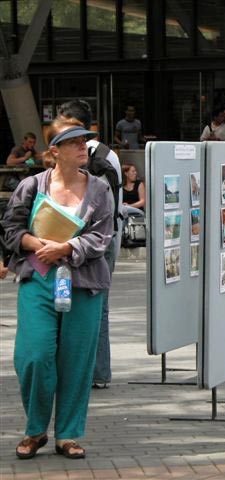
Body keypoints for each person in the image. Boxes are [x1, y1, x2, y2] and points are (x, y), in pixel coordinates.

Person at [1, 118, 113, 460]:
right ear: (55, 150)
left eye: (84, 140)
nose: (83, 146)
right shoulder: (32, 185)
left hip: (84, 282)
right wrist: (37, 244)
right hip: (39, 277)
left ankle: (68, 434)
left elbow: (102, 236)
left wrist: (66, 248)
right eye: (74, 141)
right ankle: (36, 429)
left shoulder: (99, 189)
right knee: (33, 356)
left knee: (77, 360)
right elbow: (11, 228)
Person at [58, 99, 123, 389]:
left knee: (80, 304)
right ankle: (96, 372)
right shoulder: (110, 155)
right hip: (104, 240)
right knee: (94, 305)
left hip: (85, 242)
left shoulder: (86, 158)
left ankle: (87, 371)